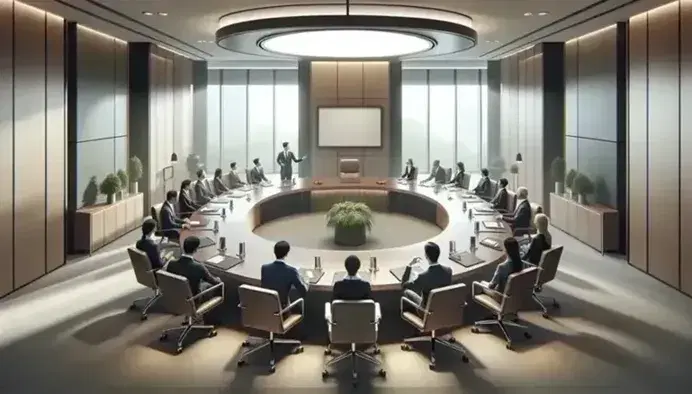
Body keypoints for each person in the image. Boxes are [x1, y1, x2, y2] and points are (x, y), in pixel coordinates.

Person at [166, 236, 222, 300]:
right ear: (196, 250)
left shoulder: (171, 263)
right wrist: (219, 279)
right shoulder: (199, 267)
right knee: (217, 284)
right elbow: (215, 282)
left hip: (175, 296)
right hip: (192, 299)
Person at [401, 242, 452, 309]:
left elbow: (404, 285)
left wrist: (409, 265)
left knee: (406, 291)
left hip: (426, 312)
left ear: (426, 256)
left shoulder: (422, 276)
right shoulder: (448, 270)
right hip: (443, 309)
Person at [260, 241, 308, 307]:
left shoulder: (264, 268)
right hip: (282, 311)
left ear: (274, 252)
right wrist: (306, 281)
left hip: (265, 308)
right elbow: (303, 292)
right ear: (287, 253)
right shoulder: (291, 271)